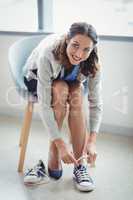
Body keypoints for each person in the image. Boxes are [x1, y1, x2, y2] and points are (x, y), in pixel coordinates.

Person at [23, 22, 103, 192]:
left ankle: (79, 164)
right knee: (60, 89)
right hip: (35, 78)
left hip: (70, 81)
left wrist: (92, 142)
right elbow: (45, 106)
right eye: (75, 45)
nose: (79, 54)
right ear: (67, 39)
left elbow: (96, 103)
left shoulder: (92, 61)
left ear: (92, 49)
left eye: (86, 50)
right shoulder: (48, 55)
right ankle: (53, 154)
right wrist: (61, 144)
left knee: (77, 92)